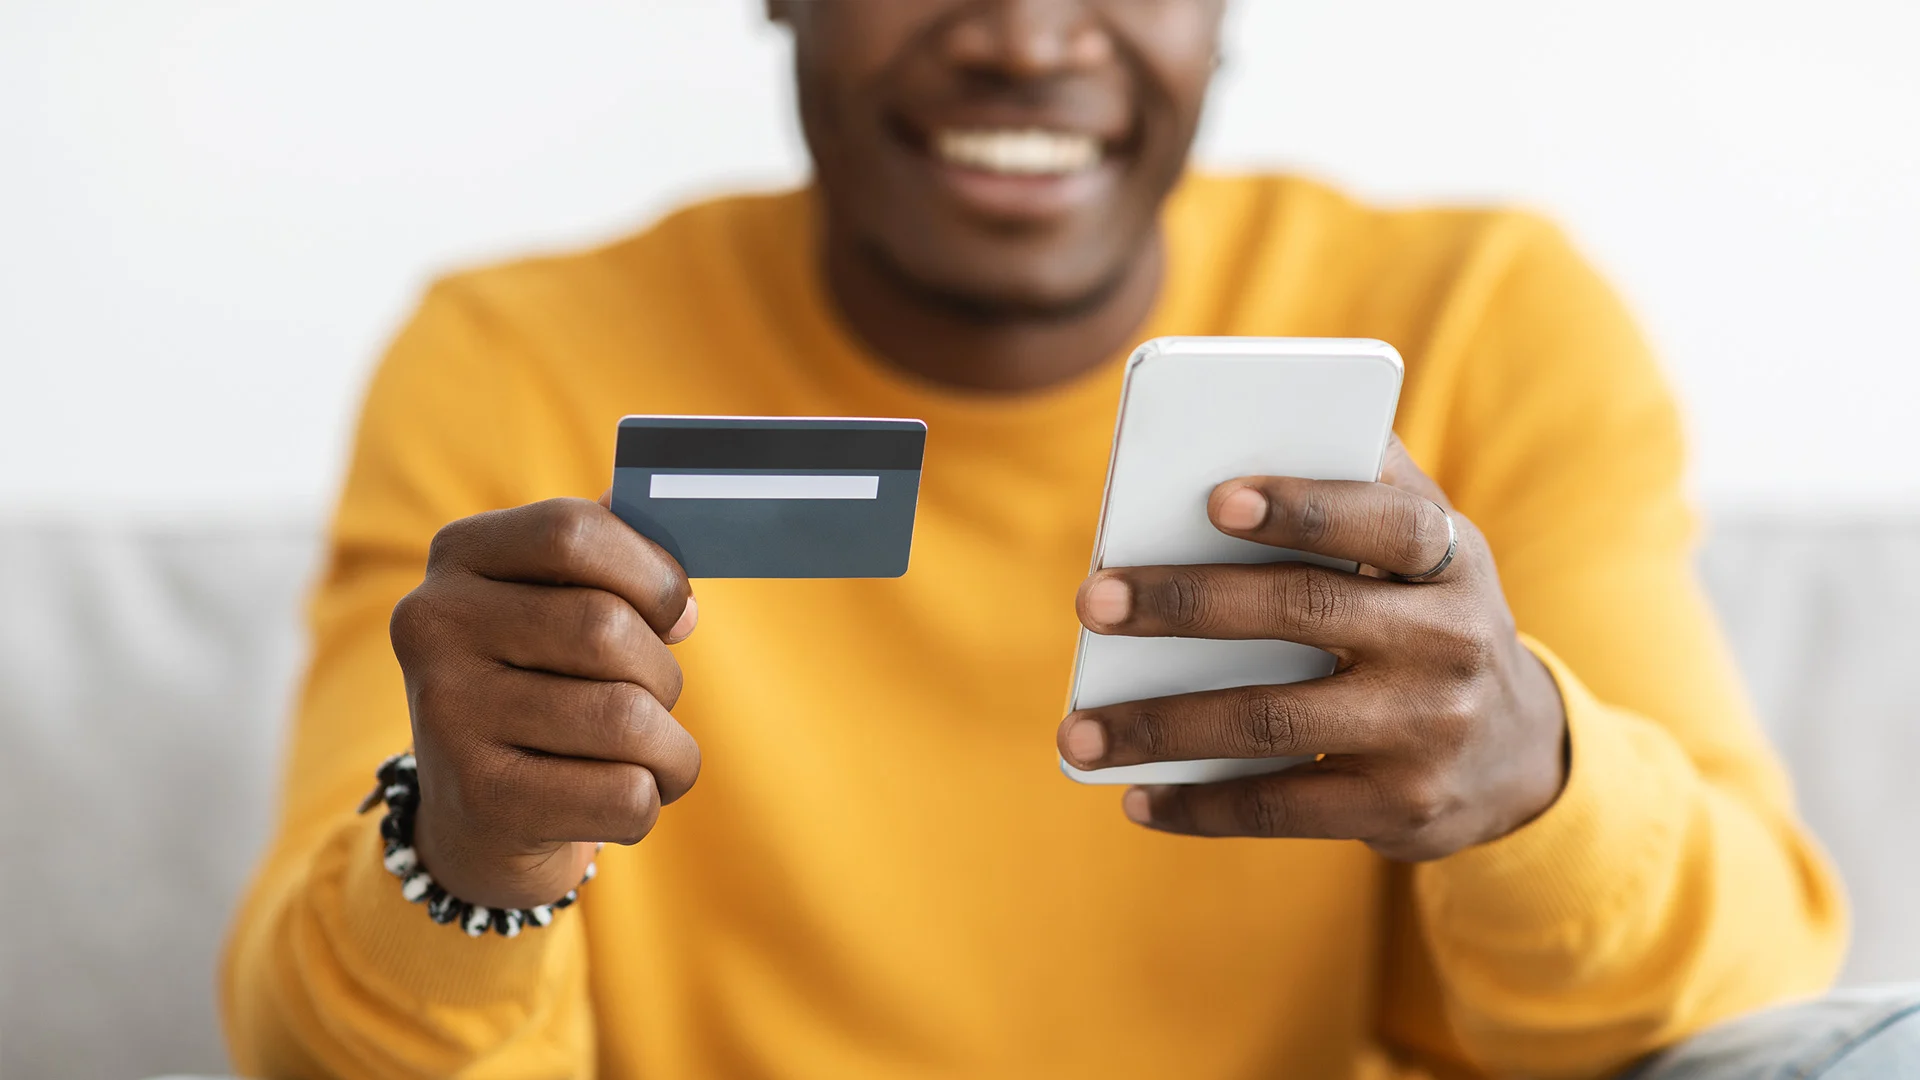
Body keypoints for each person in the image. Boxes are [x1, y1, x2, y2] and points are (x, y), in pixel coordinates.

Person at [221, 3, 1918, 1078]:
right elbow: (303, 1040)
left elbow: (1756, 990)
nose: (1031, 35)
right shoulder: (514, 360)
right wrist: (469, 860)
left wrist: (1531, 777)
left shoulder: (1480, 318)